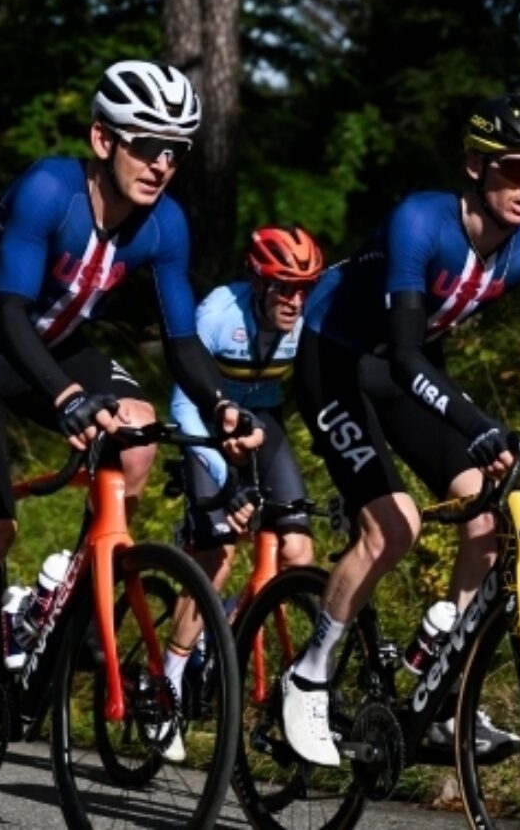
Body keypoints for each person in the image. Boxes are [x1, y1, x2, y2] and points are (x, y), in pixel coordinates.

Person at [0, 58, 263, 796]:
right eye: (147, 144)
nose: (162, 163)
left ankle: (66, 593)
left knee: (136, 434)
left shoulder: (164, 223)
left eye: (177, 150)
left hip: (56, 339)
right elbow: (8, 309)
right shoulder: (48, 191)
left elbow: (181, 341)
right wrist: (67, 395)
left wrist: (225, 406)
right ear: (104, 138)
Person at [280, 93, 520, 767]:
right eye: (516, 169)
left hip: (409, 368)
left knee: (487, 521)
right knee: (394, 524)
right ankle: (308, 673)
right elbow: (401, 354)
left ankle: (441, 693)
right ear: (476, 167)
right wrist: (479, 423)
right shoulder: (421, 222)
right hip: (337, 359)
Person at [148, 225, 326, 761]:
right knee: (219, 549)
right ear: (259, 282)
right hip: (203, 418)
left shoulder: (305, 321)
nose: (296, 301)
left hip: (262, 420)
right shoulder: (218, 314)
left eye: (306, 288)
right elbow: (183, 401)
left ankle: (226, 631)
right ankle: (166, 688)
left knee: (298, 550)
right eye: (285, 288)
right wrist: (222, 480)